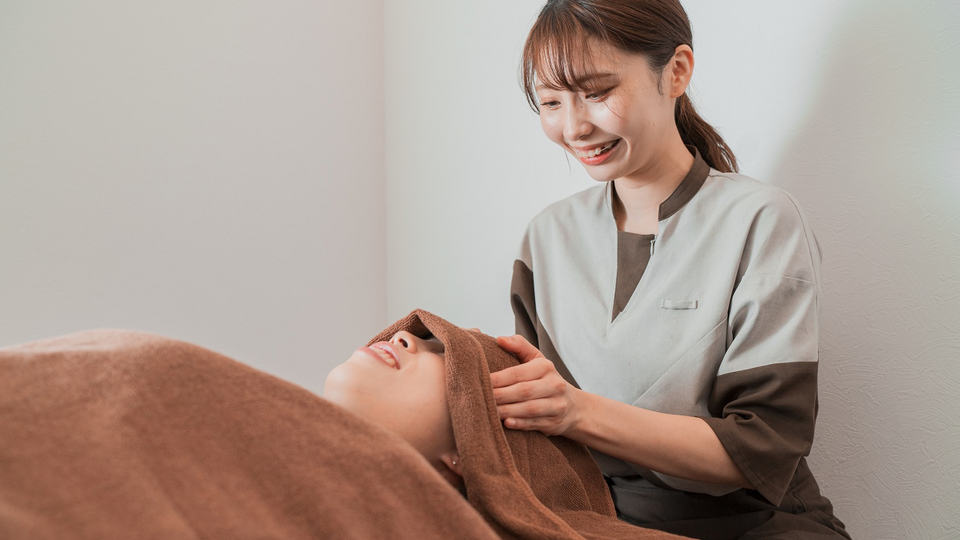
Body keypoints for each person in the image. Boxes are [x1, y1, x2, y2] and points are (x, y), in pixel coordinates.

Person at [489, 1, 851, 538]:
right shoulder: (546, 238)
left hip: (748, 524)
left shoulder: (761, 220)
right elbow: (537, 429)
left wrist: (576, 412)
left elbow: (762, 447)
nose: (575, 126)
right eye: (550, 102)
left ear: (676, 71)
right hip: (594, 519)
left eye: (597, 92)